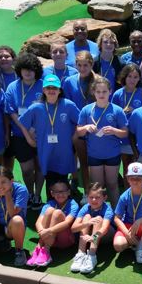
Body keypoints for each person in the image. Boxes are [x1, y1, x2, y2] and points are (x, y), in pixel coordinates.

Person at [19, 74, 80, 190]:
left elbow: (80, 122)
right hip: (46, 151)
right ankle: (50, 204)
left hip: (63, 152)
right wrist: (30, 139)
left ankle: (65, 204)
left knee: (63, 181)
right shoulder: (36, 107)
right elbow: (22, 123)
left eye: (54, 88)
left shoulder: (68, 105)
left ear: (59, 90)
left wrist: (74, 138)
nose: (51, 90)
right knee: (50, 183)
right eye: (48, 88)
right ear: (43, 90)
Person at [77, 77, 129, 205]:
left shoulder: (117, 110)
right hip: (94, 155)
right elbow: (78, 131)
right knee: (98, 187)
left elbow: (125, 133)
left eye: (104, 92)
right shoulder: (87, 110)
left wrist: (114, 130)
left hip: (112, 154)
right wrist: (86, 127)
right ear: (93, 92)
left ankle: (116, 214)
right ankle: (98, 213)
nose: (101, 95)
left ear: (110, 91)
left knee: (112, 184)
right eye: (98, 92)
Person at [5, 52, 45, 207]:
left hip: (40, 134)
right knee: (27, 169)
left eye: (31, 69)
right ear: (19, 70)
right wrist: (26, 132)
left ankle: (37, 194)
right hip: (20, 134)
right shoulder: (12, 87)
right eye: (24, 69)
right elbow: (12, 111)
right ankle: (29, 192)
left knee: (40, 166)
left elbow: (49, 109)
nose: (28, 72)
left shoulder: (43, 85)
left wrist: (34, 130)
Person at [63, 50, 96, 199]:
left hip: (94, 126)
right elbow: (67, 105)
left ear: (91, 64)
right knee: (81, 160)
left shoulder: (98, 80)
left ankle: (95, 190)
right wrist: (79, 122)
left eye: (86, 65)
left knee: (93, 161)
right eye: (79, 65)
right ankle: (84, 191)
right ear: (75, 65)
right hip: (76, 126)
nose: (82, 68)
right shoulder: (69, 81)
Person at [113, 162, 142, 264]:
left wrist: (139, 221)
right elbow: (116, 218)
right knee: (118, 246)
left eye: (138, 178)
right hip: (128, 226)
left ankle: (140, 248)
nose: (135, 181)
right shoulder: (124, 196)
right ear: (128, 179)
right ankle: (132, 241)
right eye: (131, 178)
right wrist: (127, 233)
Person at [29, 180, 79, 267]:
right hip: (50, 239)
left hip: (66, 240)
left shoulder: (73, 204)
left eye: (63, 191)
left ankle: (46, 251)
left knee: (57, 213)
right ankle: (39, 247)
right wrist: (42, 231)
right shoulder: (50, 203)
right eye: (57, 192)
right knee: (49, 210)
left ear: (68, 192)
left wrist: (48, 231)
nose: (60, 194)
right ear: (52, 193)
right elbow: (38, 222)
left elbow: (67, 223)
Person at [70, 182, 114, 274]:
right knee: (87, 217)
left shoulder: (107, 209)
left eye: (97, 197)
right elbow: (73, 228)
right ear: (87, 197)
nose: (94, 200)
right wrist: (87, 223)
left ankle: (92, 256)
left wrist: (94, 237)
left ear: (104, 198)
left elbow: (105, 228)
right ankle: (81, 254)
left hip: (106, 236)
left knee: (98, 219)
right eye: (91, 197)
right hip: (90, 236)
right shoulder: (86, 207)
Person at [112, 64, 142, 175]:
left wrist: (135, 111)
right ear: (124, 77)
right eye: (130, 76)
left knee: (138, 167)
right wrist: (121, 111)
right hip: (123, 137)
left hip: (138, 136)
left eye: (135, 77)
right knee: (126, 167)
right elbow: (112, 114)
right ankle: (127, 190)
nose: (132, 80)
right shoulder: (118, 94)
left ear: (139, 78)